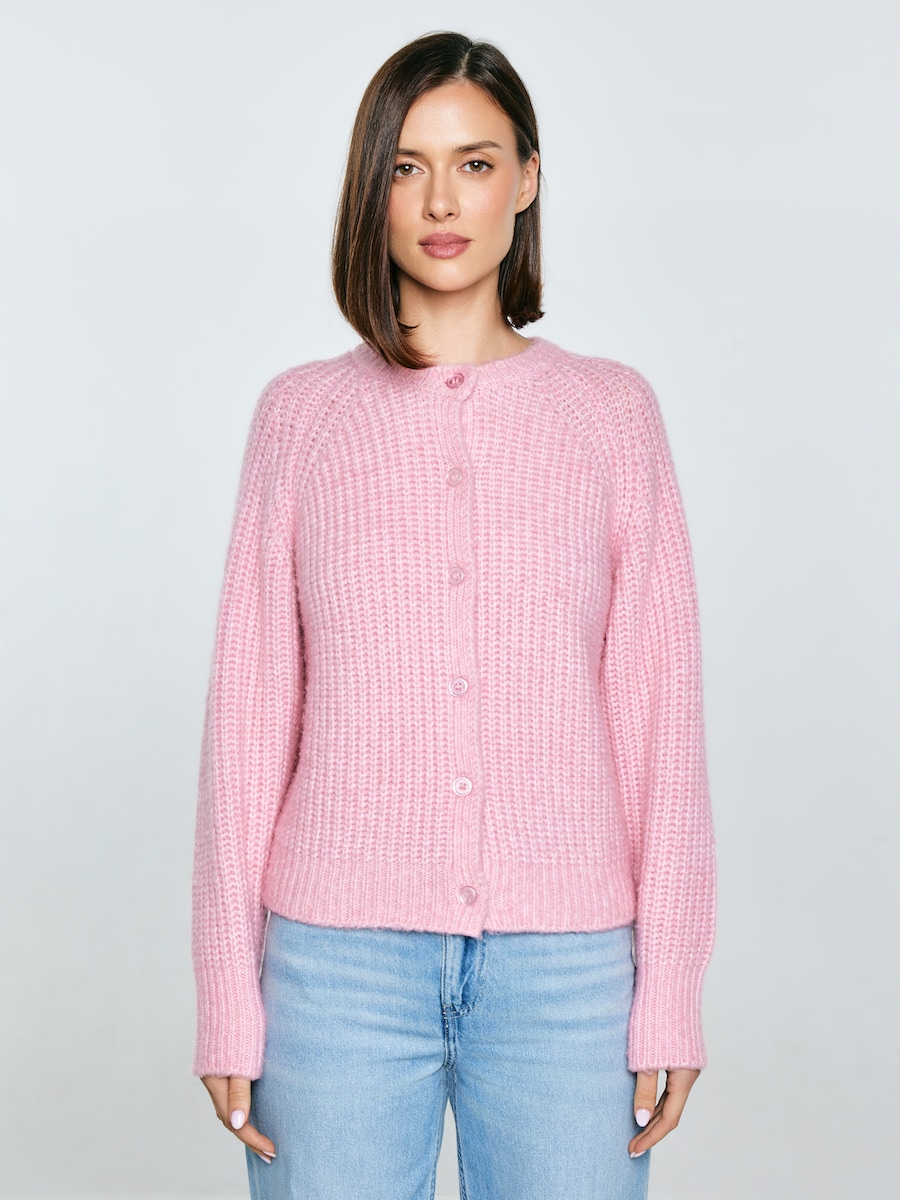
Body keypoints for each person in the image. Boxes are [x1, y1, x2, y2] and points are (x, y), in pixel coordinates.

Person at [191, 29, 716, 1200]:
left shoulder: (611, 414)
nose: (441, 201)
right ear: (369, 187)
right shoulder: (301, 418)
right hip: (332, 971)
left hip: (570, 976)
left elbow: (661, 729)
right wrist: (228, 995)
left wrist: (670, 990)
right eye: (407, 166)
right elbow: (248, 725)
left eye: (475, 164)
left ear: (526, 181)